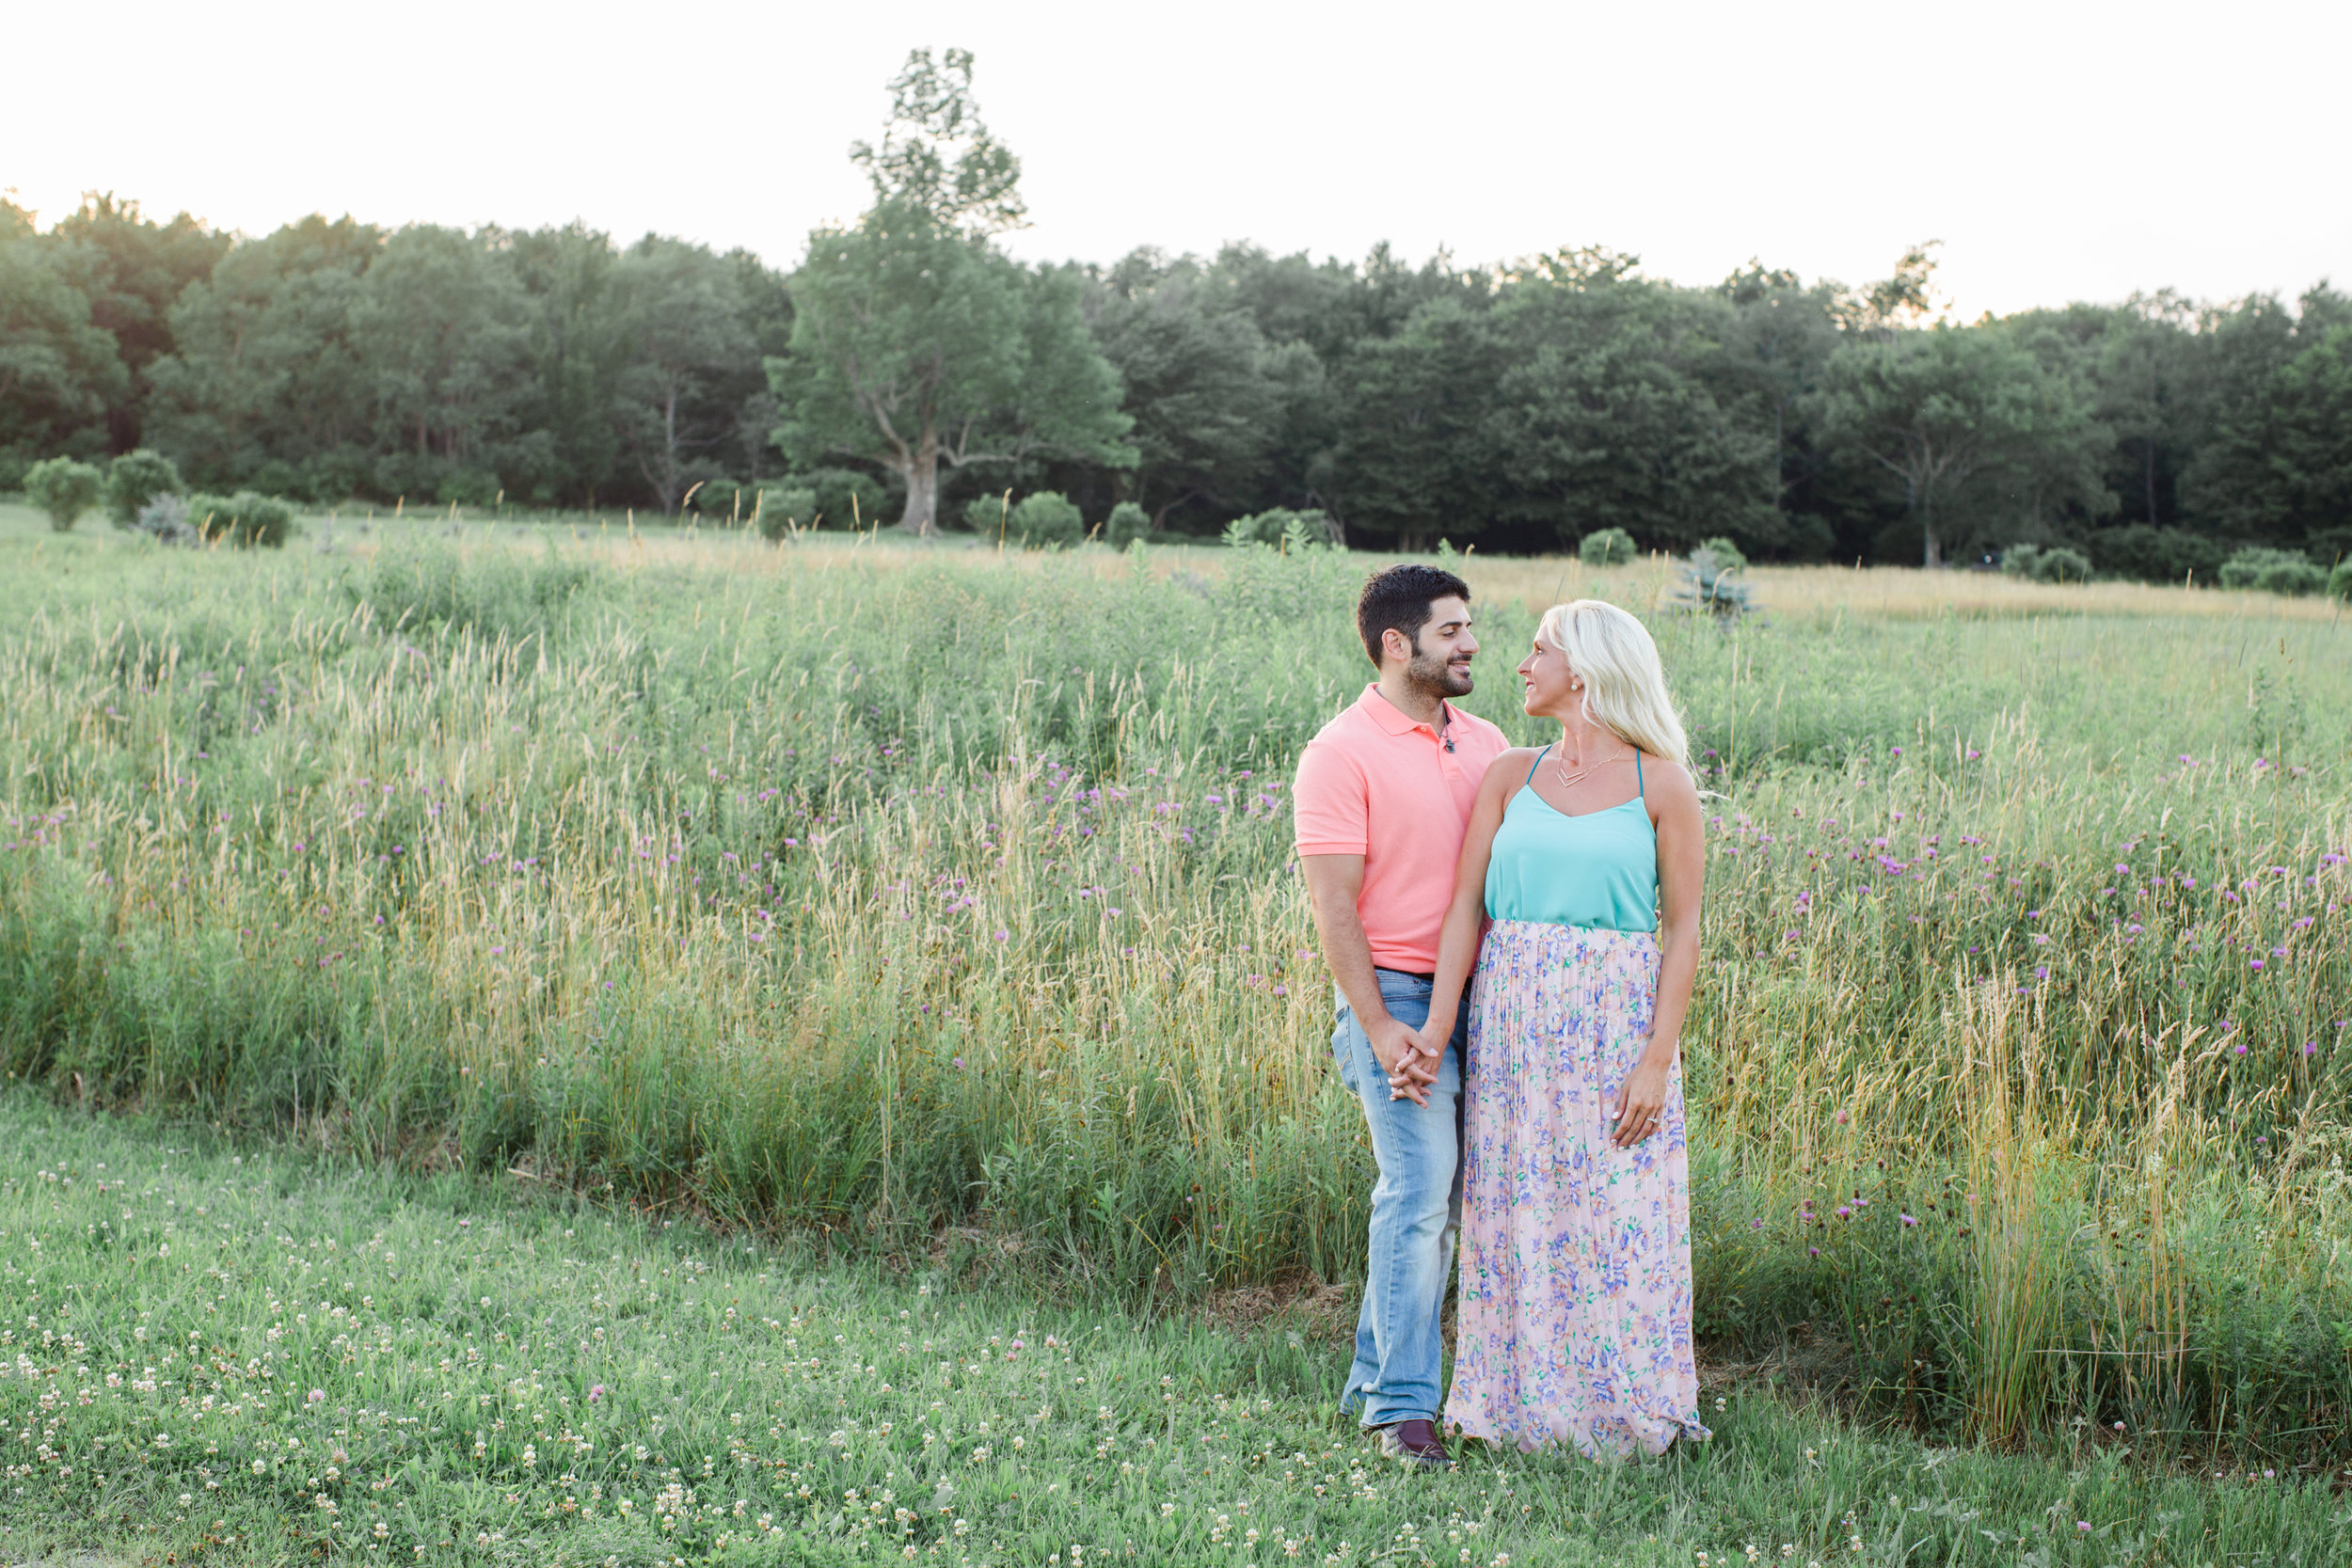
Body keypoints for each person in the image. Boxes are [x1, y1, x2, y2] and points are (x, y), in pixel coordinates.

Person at [1394, 598, 1710, 1459]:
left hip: (1615, 1025)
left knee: (1617, 1212)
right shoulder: (1511, 774)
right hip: (1514, 1023)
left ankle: (1624, 1412)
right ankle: (1518, 1407)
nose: (1522, 664)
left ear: (1586, 669)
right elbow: (1466, 908)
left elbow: (1680, 931)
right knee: (1515, 1205)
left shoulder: (1663, 783)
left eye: (1539, 651)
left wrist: (1657, 1058)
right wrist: (1440, 1022)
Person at [1295, 564, 1510, 1470]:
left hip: (1486, 998)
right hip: (1400, 998)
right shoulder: (1339, 752)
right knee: (1418, 1193)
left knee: (1449, 1205)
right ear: (1398, 644)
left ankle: (1373, 1380)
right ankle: (1403, 1413)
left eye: (1470, 628)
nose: (1471, 644)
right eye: (1452, 630)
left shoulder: (1490, 741)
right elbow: (1334, 906)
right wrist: (1381, 1026)